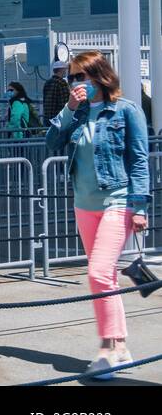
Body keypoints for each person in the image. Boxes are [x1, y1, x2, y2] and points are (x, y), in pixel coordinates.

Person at [46, 50, 151, 378]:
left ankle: (107, 346)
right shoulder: (75, 114)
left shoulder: (126, 110)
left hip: (116, 201)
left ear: (99, 76)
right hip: (84, 204)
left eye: (81, 76)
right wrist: (69, 107)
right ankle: (121, 345)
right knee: (103, 278)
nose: (75, 83)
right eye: (72, 77)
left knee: (98, 272)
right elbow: (51, 142)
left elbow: (139, 160)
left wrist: (140, 206)